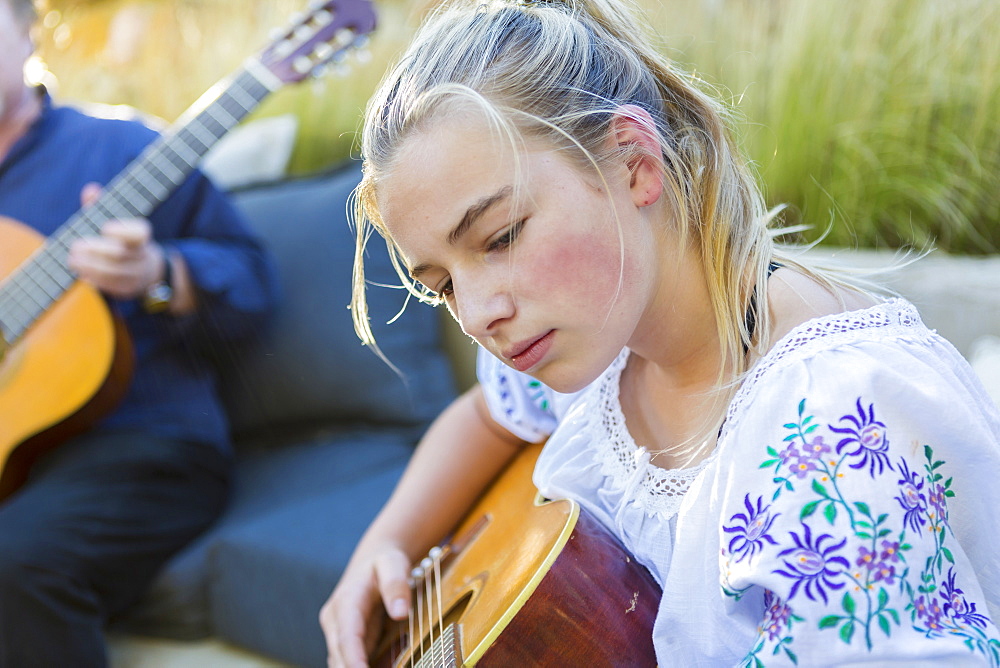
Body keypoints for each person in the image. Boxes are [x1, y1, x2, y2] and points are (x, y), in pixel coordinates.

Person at [319, 0, 1000, 665]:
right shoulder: (593, 353)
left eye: (499, 237)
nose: (473, 315)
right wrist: (387, 545)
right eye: (441, 285)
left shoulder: (833, 434)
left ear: (634, 164)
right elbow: (489, 416)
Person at [0, 1, 277, 665]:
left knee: (12, 565)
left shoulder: (121, 150)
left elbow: (253, 281)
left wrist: (159, 273)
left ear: (25, 25)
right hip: (20, 464)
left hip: (144, 446)